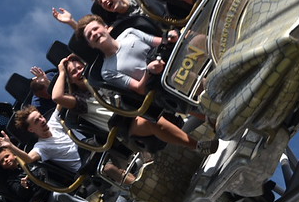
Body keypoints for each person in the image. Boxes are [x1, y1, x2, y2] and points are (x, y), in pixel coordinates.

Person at [76, 14, 215, 154]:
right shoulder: (107, 71)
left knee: (199, 39)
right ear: (91, 44)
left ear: (105, 27)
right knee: (181, 78)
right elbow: (139, 89)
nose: (94, 34)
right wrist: (149, 71)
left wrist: (170, 37)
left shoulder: (129, 33)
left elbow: (160, 42)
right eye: (90, 35)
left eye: (95, 29)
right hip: (159, 85)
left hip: (173, 62)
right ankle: (215, 107)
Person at [52, 54, 197, 153]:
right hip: (125, 127)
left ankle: (207, 114)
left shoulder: (100, 80)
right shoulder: (79, 101)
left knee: (165, 93)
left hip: (138, 107)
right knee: (149, 121)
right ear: (70, 80)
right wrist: (62, 72)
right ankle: (197, 145)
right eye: (73, 72)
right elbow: (57, 97)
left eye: (79, 68)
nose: (79, 72)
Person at [0, 141, 114, 202]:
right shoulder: (11, 179)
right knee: (59, 195)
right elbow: (21, 193)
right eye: (2, 161)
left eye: (7, 156)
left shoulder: (29, 160)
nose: (6, 160)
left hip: (57, 180)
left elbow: (42, 169)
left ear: (13, 154)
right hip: (47, 196)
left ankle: (103, 181)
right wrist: (24, 186)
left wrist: (35, 174)